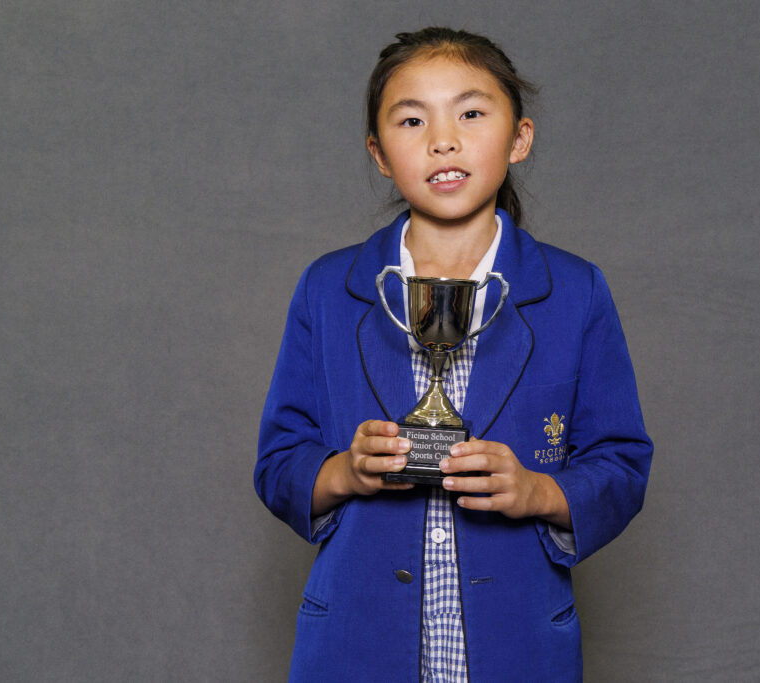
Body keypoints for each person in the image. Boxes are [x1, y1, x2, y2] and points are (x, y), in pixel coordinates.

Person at [255, 27, 653, 682]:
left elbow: (623, 460)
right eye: (411, 119)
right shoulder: (328, 288)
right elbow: (278, 462)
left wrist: (539, 489)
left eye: (471, 112)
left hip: (519, 645)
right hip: (355, 645)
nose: (443, 139)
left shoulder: (576, 291)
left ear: (519, 138)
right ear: (379, 153)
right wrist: (345, 472)